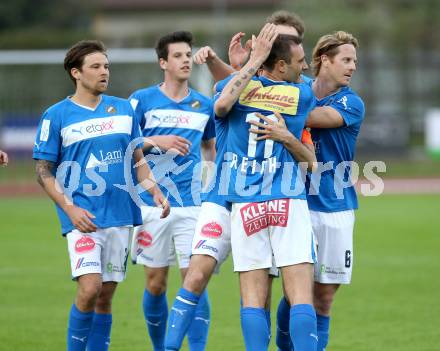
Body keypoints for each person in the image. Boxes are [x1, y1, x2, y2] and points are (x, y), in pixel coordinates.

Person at [32, 40, 169, 351]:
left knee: (105, 296)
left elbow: (138, 161)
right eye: (96, 66)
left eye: (106, 66)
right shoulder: (56, 116)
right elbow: (43, 172)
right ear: (76, 73)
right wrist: (70, 210)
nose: (104, 71)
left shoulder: (122, 109)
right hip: (83, 218)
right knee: (89, 288)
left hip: (120, 215)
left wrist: (156, 191)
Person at [214, 24, 318, 351]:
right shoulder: (302, 94)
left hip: (246, 204)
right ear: (282, 66)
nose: (306, 69)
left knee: (252, 298)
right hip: (288, 199)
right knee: (300, 294)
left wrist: (248, 64)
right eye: (300, 62)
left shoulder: (228, 87)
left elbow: (221, 105)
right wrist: (255, 61)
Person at [129, 31, 216, 351]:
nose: (185, 61)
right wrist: (156, 141)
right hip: (151, 204)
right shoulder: (141, 100)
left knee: (194, 280)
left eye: (188, 55)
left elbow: (211, 147)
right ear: (163, 62)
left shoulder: (204, 105)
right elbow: (125, 145)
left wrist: (215, 184)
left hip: (192, 204)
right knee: (156, 283)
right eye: (178, 56)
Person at [306, 30, 365, 351]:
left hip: (336, 207)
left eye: (354, 60)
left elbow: (315, 117)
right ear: (323, 61)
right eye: (346, 59)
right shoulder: (298, 90)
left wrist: (275, 103)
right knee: (295, 294)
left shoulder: (351, 102)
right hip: (296, 204)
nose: (353, 66)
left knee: (324, 297)